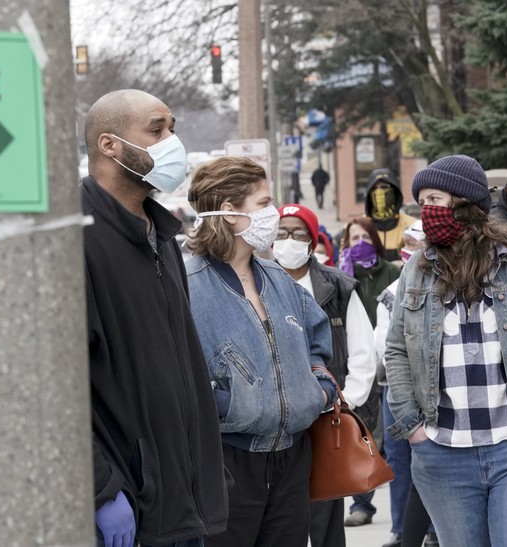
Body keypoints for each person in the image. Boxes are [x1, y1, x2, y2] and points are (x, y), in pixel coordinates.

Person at [384, 154, 507, 547]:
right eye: (421, 202)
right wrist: (413, 427)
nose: (427, 211)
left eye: (434, 199)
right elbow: (396, 350)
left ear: (465, 202)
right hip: (442, 456)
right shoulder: (415, 270)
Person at [81, 89, 229, 547]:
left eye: (173, 129)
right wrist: (101, 489)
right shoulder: (75, 239)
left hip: (183, 503)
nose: (171, 141)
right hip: (128, 504)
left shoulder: (161, 235)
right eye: (156, 129)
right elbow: (57, 384)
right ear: (109, 145)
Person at [184, 156, 337, 547]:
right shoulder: (186, 285)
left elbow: (318, 343)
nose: (272, 213)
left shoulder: (279, 280)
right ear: (231, 212)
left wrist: (319, 387)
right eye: (263, 202)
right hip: (227, 463)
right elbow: (174, 374)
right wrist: (227, 404)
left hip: (292, 458)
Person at [272, 203, 379, 547]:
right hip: (278, 418)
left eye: (298, 233)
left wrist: (346, 400)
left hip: (325, 415)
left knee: (324, 515)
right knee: (281, 513)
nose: (289, 240)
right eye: (281, 232)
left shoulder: (338, 287)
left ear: (313, 238)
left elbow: (362, 350)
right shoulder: (259, 280)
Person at [375, 221, 437, 547]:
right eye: (412, 244)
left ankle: (434, 532)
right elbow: (385, 345)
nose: (416, 251)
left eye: (421, 244)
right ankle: (400, 529)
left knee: (430, 465)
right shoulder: (392, 292)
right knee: (399, 462)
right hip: (395, 389)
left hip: (433, 392)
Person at [338, 217, 402, 527]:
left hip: (388, 365)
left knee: (388, 439)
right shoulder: (340, 276)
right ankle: (361, 504)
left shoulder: (391, 273)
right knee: (363, 437)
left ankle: (400, 513)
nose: (359, 241)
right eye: (354, 237)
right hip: (358, 368)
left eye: (365, 235)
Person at [364, 168, 418, 266]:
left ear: (395, 191)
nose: (379, 191)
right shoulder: (360, 227)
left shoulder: (412, 225)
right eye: (374, 188)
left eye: (384, 187)